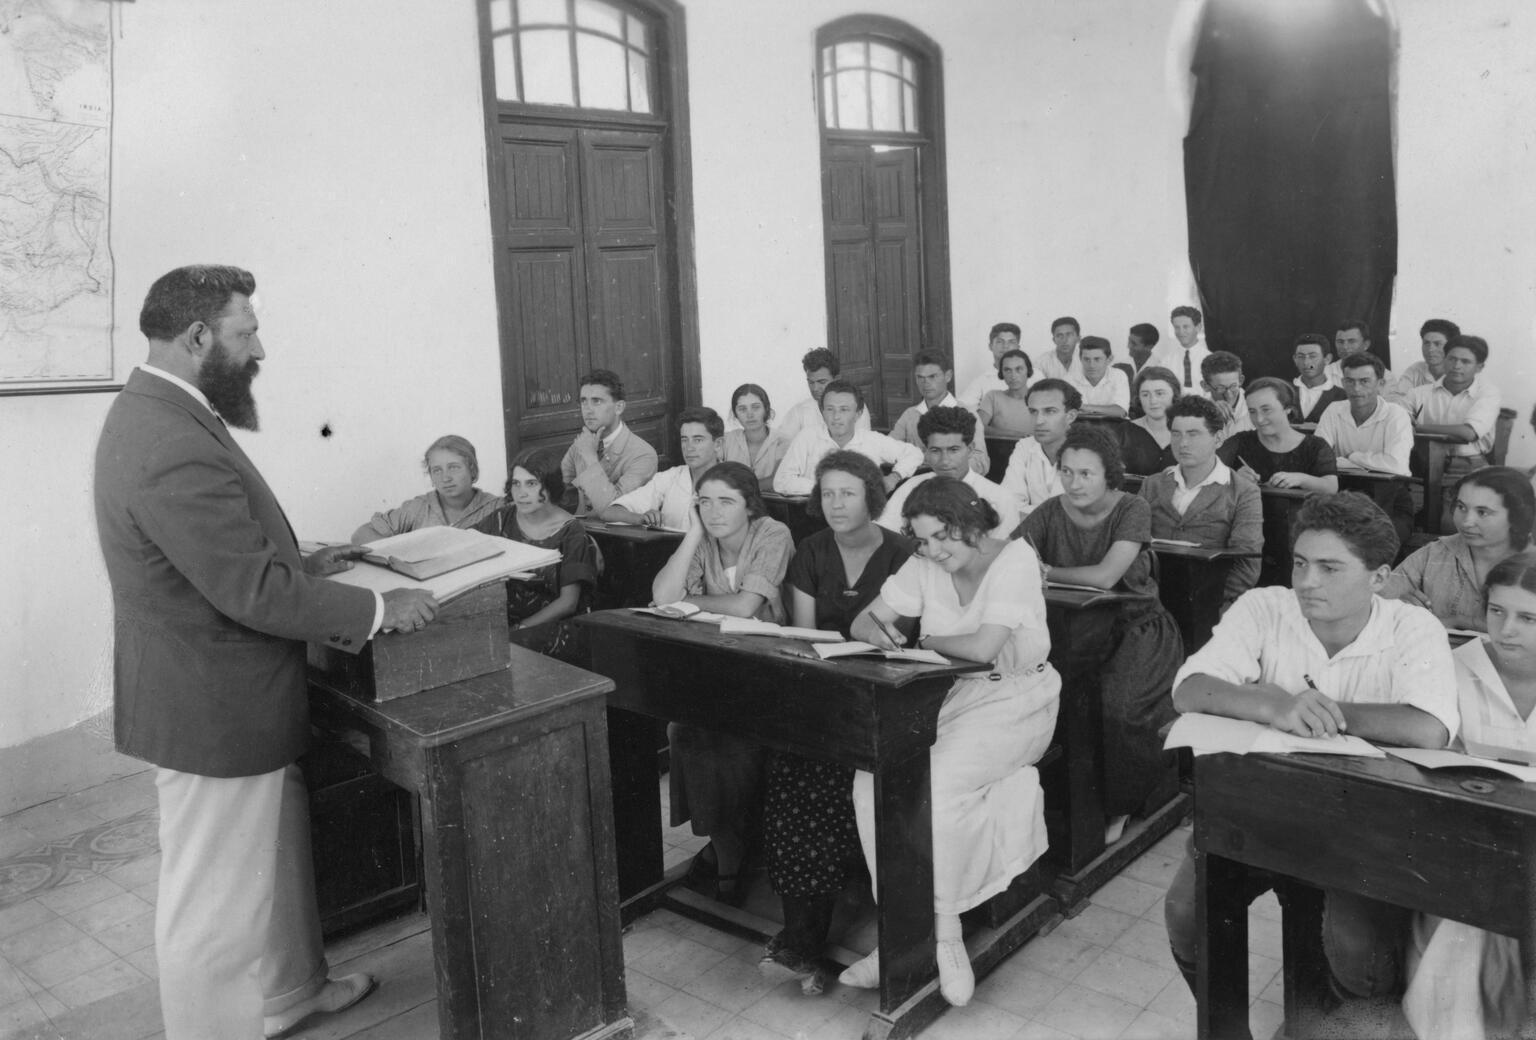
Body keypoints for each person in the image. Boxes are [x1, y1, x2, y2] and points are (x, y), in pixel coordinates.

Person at [94, 265, 439, 1040]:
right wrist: (381, 605)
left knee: (272, 862)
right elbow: (249, 590)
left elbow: (220, 553)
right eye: (246, 333)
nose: (260, 350)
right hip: (213, 708)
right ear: (197, 336)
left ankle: (292, 993)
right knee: (215, 906)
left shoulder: (165, 409)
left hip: (230, 692)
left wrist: (299, 565)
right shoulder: (164, 438)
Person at [1163, 493, 1457, 1001]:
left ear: (1379, 578)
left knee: (1356, 948)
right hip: (1264, 804)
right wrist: (1273, 706)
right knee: (1186, 914)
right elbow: (1190, 688)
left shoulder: (1412, 626)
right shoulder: (1265, 607)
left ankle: (1348, 1026)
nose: (1306, 581)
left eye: (1329, 568)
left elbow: (1429, 726)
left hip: (1362, 819)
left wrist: (1317, 707)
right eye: (1299, 563)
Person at [842, 478, 1061, 1007]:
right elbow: (861, 620)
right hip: (954, 698)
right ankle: (899, 930)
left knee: (933, 788)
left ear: (973, 523)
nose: (934, 551)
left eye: (943, 537)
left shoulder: (1015, 560)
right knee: (871, 781)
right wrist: (882, 633)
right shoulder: (924, 563)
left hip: (1019, 700)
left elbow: (985, 648)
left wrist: (926, 639)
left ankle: (944, 936)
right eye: (922, 540)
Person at [760, 451, 913, 993]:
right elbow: (808, 637)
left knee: (834, 783)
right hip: (829, 692)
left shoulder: (903, 553)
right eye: (827, 493)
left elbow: (908, 638)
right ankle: (801, 937)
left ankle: (851, 933)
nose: (836, 504)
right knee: (794, 773)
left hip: (891, 693)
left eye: (847, 492)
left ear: (872, 495)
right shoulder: (811, 551)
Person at [1018, 425, 1184, 842]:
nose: (1074, 483)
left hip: (1138, 630)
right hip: (1073, 631)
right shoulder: (1050, 510)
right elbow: (1009, 556)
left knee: (1119, 710)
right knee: (1052, 705)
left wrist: (1046, 572)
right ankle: (1064, 807)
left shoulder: (1132, 507)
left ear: (1110, 473)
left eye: (1086, 474)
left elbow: (1106, 577)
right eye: (1067, 472)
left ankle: (1120, 806)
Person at [1402, 553, 1536, 1039]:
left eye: (1528, 617)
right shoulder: (1453, 668)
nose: (1506, 629)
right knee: (1475, 923)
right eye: (1497, 611)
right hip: (1464, 842)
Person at [652, 462, 794, 904]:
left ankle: (731, 847)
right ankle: (724, 840)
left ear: (750, 505)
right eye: (705, 501)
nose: (713, 512)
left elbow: (748, 605)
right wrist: (693, 533)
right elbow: (661, 597)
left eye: (726, 501)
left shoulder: (773, 533)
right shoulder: (703, 538)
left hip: (774, 668)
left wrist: (689, 602)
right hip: (719, 664)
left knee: (727, 741)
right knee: (684, 731)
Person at [1138, 396, 1263, 606]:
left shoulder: (1243, 491)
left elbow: (1247, 566)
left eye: (1193, 434)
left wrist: (1200, 601)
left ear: (1218, 438)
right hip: (1150, 602)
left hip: (1211, 605)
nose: (1183, 443)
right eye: (1176, 434)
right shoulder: (1152, 485)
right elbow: (1132, 549)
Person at [474, 446, 599, 654]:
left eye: (531, 484)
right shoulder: (501, 518)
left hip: (553, 627)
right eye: (516, 484)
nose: (521, 494)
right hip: (502, 623)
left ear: (550, 487)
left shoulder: (571, 531)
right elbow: (465, 544)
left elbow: (568, 603)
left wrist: (518, 629)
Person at [1382, 467, 1535, 631]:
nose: (1467, 521)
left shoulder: (1531, 560)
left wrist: (1461, 621)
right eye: (1461, 507)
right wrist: (1399, 606)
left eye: (1482, 512)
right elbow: (1378, 604)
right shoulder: (1435, 553)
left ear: (1517, 516)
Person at [1316, 351, 1417, 541]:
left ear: (1380, 384)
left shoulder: (1396, 414)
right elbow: (1318, 458)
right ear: (1343, 382)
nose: (1356, 389)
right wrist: (1368, 462)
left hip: (1389, 500)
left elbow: (1397, 466)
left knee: (1373, 542)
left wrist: (1352, 457)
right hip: (1342, 495)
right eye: (1349, 381)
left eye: (1364, 381)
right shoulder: (1334, 409)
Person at [879, 406, 1020, 539]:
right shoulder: (911, 488)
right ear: (925, 452)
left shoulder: (999, 498)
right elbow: (886, 535)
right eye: (935, 450)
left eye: (953, 450)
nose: (945, 461)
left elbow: (1005, 555)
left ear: (970, 449)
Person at [774, 381, 922, 495]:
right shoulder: (807, 436)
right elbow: (781, 481)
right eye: (830, 409)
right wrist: (830, 489)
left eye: (844, 410)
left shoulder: (871, 440)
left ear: (858, 414)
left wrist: (893, 477)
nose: (836, 417)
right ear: (822, 412)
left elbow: (914, 454)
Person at [351, 434, 501, 543]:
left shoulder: (496, 507)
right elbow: (361, 534)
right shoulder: (420, 507)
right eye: (437, 470)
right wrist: (401, 554)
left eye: (454, 467)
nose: (445, 478)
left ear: (472, 470)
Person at [600, 406, 725, 530]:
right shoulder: (671, 477)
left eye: (698, 440)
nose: (689, 447)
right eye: (684, 440)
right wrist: (641, 518)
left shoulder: (734, 481)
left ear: (718, 444)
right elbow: (610, 512)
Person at [1403, 334, 1502, 483]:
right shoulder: (1418, 394)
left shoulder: (1488, 393)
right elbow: (1397, 423)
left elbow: (1468, 433)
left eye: (1465, 361)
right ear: (1444, 359)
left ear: (1479, 367)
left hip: (1468, 466)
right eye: (1452, 359)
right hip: (1424, 464)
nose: (1456, 366)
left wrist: (1418, 427)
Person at [560, 368, 659, 514]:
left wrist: (590, 458)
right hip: (581, 531)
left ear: (619, 407)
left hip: (619, 534)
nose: (588, 410)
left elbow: (611, 509)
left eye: (597, 402)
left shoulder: (643, 454)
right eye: (583, 401)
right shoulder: (582, 443)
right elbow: (556, 485)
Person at [1218, 378, 1339, 493]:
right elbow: (1206, 473)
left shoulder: (1316, 446)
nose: (1259, 419)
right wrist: (1233, 478)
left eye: (1266, 410)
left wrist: (1302, 479)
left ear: (1288, 408)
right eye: (1252, 411)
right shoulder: (1240, 441)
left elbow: (1331, 487)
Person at [887, 352, 988, 474]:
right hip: (914, 479)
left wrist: (947, 472)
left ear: (948, 376)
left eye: (932, 376)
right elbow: (887, 449)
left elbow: (980, 460)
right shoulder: (910, 414)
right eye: (920, 377)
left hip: (953, 482)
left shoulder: (967, 413)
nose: (926, 383)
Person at [999, 378, 1076, 516]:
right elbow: (1007, 502)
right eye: (1033, 412)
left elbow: (1076, 513)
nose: (1039, 421)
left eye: (1050, 411)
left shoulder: (1090, 452)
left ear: (1070, 416)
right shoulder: (1024, 446)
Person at [777, 348, 872, 443]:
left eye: (822, 382)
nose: (815, 388)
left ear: (836, 379)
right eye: (811, 382)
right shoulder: (800, 411)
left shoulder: (856, 407)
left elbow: (862, 446)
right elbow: (782, 442)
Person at [722, 383, 789, 484]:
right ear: (735, 414)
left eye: (755, 407)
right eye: (742, 409)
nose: (750, 414)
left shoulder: (783, 441)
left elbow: (776, 481)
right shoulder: (726, 440)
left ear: (766, 409)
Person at [1120, 366, 1180, 475]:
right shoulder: (1123, 433)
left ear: (1174, 394)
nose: (1153, 401)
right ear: (1138, 398)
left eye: (1160, 393)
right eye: (1145, 395)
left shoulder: (1190, 432)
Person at [958, 321, 1023, 412]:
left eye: (1011, 342)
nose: (1006, 346)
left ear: (1018, 347)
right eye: (1000, 342)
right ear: (990, 346)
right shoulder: (982, 381)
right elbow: (962, 406)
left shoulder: (1036, 375)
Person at [1148, 305, 1210, 394]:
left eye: (1186, 327)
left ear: (1198, 327)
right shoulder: (1166, 361)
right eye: (1177, 327)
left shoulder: (1209, 359)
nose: (1181, 332)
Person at [1393, 318, 1461, 395]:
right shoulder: (1415, 371)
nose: (1430, 349)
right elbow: (1398, 400)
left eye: (1437, 344)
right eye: (1426, 343)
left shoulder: (1462, 374)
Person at [977, 348, 1035, 438]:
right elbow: (978, 427)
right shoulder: (993, 397)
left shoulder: (1040, 398)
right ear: (1002, 373)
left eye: (1019, 369)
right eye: (1007, 370)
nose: (1013, 376)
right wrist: (1015, 435)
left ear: (1028, 370)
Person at [1290, 333, 1345, 425]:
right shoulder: (1283, 392)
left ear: (1327, 359)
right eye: (1301, 356)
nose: (1306, 362)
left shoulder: (1342, 396)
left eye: (1313, 356)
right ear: (1295, 360)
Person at [1325, 318, 1396, 390]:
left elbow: (1391, 401)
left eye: (1351, 341)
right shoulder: (1325, 373)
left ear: (1366, 344)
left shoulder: (1385, 376)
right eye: (1340, 342)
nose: (1345, 347)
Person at [1071, 335, 1130, 417]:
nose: (1091, 365)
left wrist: (1083, 407)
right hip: (1082, 426)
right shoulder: (1069, 379)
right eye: (1086, 359)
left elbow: (1120, 411)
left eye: (1097, 359)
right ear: (1080, 359)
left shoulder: (1119, 375)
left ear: (1109, 359)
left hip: (1115, 426)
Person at [1199, 350, 1251, 435]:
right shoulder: (1199, 412)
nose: (1229, 395)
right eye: (1221, 388)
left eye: (1233, 386)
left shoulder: (1255, 407)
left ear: (1241, 380)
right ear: (1205, 386)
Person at [1034, 316, 1085, 382]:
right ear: (1054, 340)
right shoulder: (1041, 363)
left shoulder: (1088, 359)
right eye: (1059, 335)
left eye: (1069, 335)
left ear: (1078, 338)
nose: (1064, 340)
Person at [1115, 322, 1160, 389]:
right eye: (1129, 341)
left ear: (1149, 347)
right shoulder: (1119, 365)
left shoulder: (1159, 368)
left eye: (1134, 344)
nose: (1128, 346)